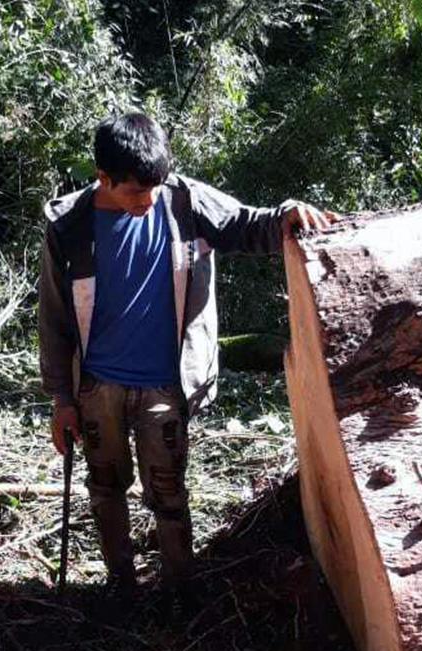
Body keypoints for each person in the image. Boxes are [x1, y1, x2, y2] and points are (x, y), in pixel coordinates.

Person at [37, 112, 335, 604]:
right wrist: (61, 398)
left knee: (168, 492)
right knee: (106, 486)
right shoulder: (69, 226)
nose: (148, 199)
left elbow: (243, 223)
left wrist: (285, 215)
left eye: (155, 186)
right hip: (95, 387)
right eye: (135, 191)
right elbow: (53, 314)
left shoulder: (183, 200)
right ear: (102, 178)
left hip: (164, 385)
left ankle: (181, 588)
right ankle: (121, 584)